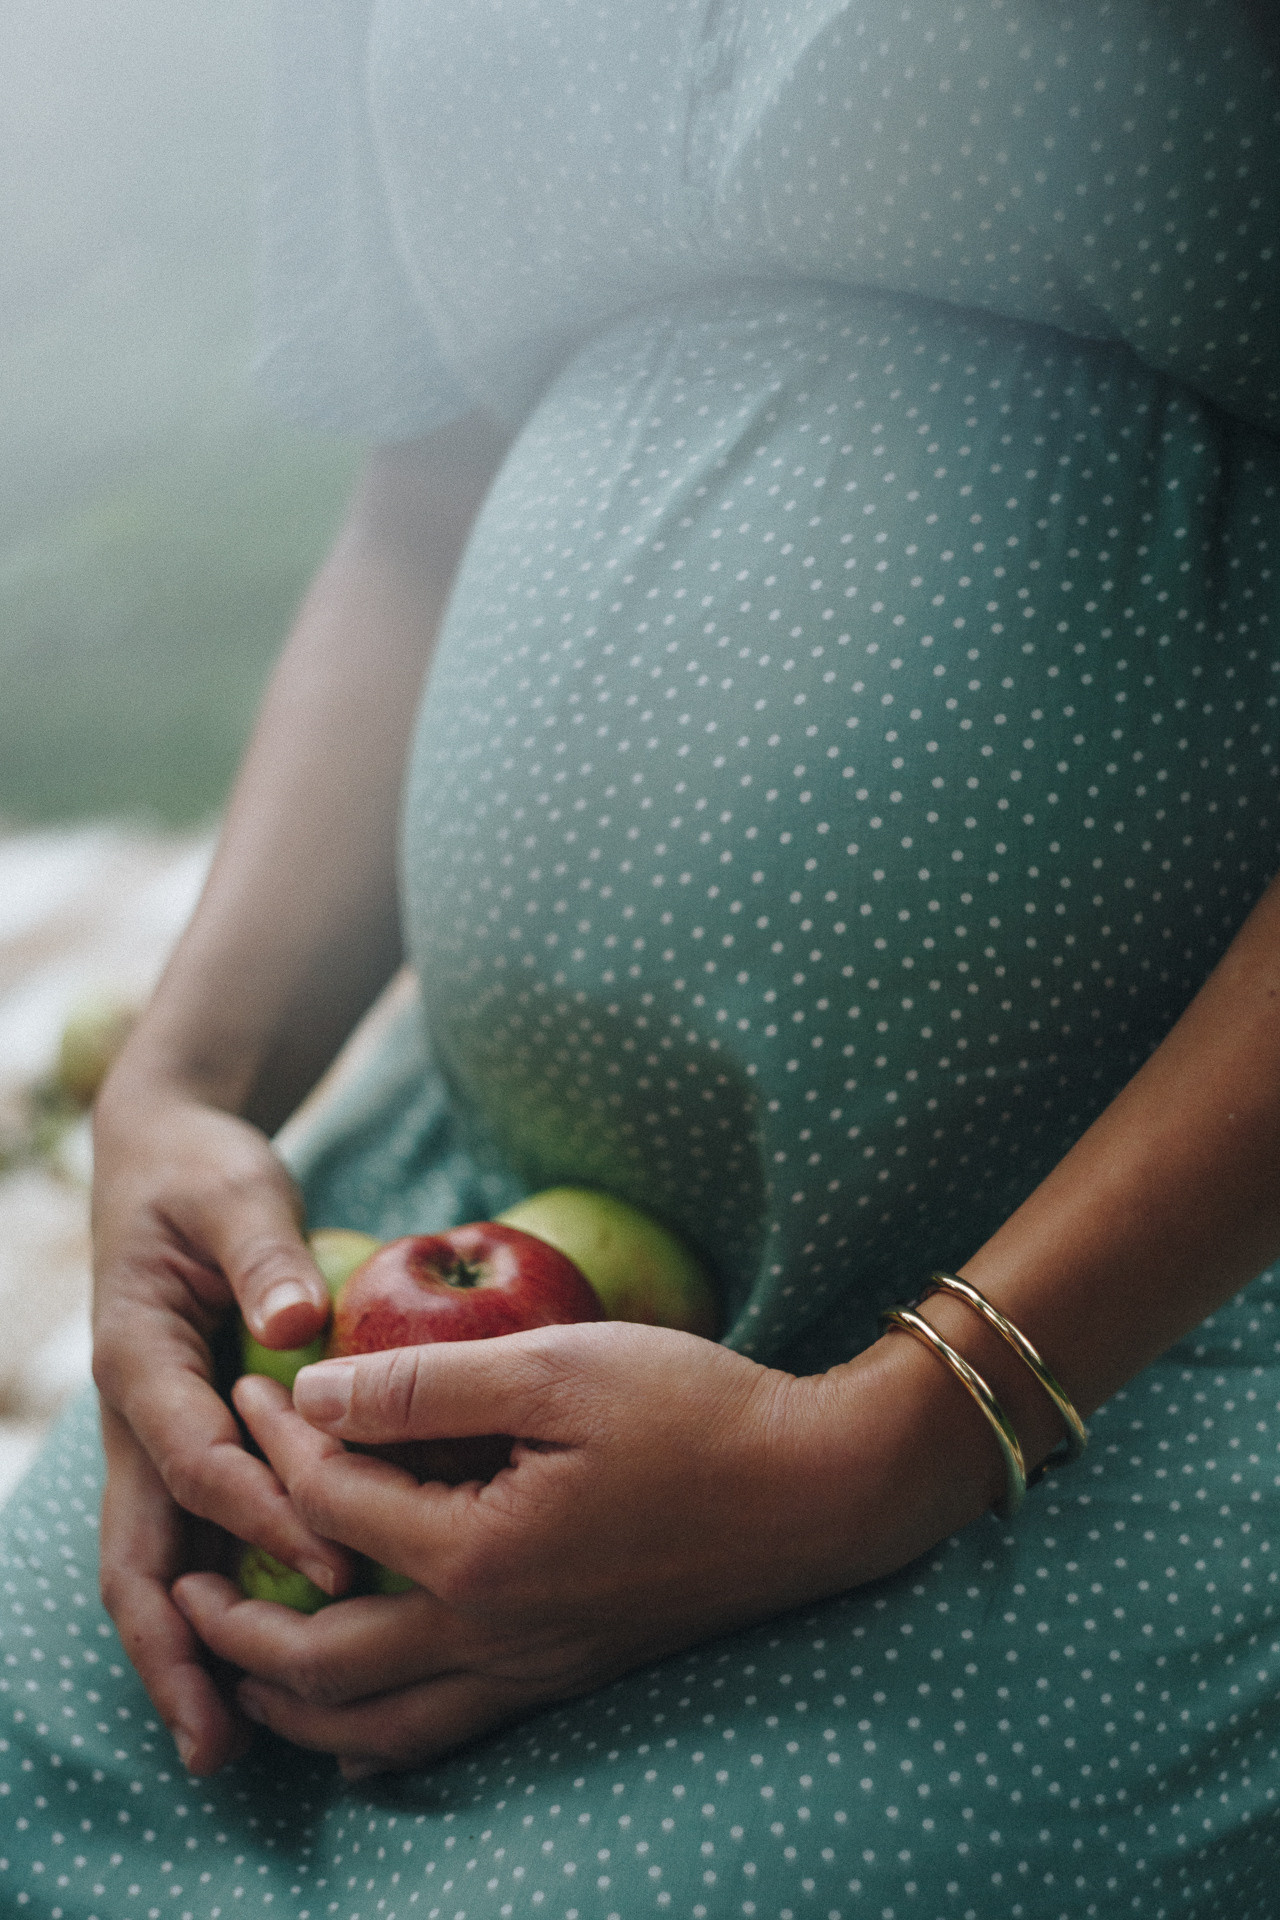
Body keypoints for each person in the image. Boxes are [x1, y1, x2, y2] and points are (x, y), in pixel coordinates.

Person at [4, 1, 1280, 1914]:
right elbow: (427, 486)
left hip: (1130, 1343)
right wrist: (185, 1089)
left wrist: (900, 1444)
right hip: (449, 1216)